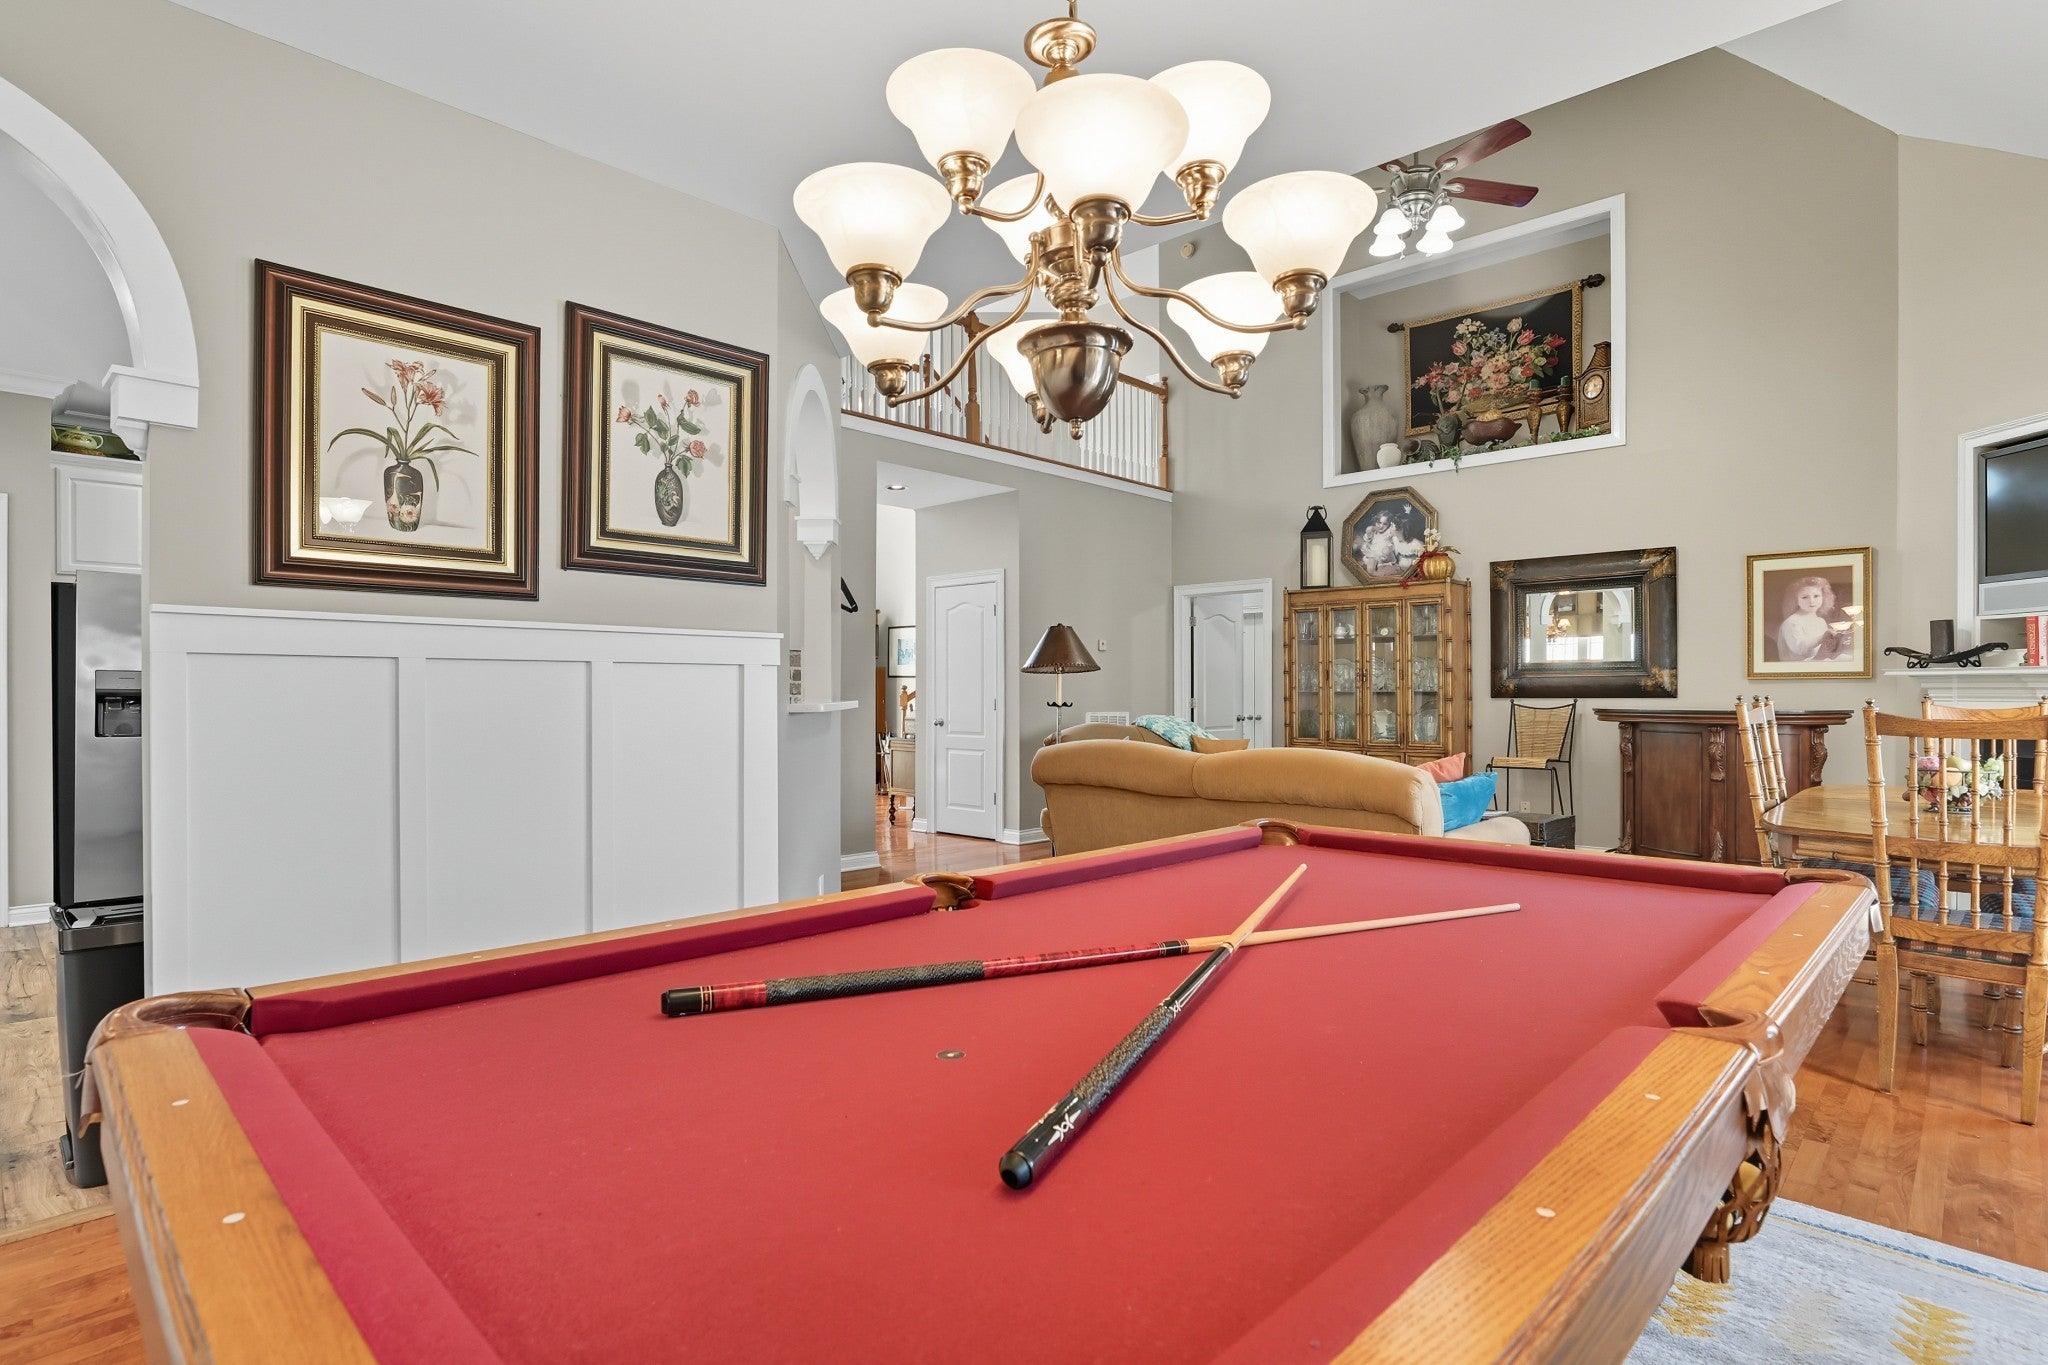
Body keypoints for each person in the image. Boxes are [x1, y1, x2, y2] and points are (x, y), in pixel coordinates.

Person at [1777, 576, 1847, 661]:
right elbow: (1799, 648)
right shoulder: (1792, 623)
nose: (1811, 601)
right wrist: (1822, 638)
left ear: (1823, 597)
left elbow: (1824, 648)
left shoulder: (1820, 621)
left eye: (1816, 596)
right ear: (1796, 600)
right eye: (1805, 597)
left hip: (1818, 661)